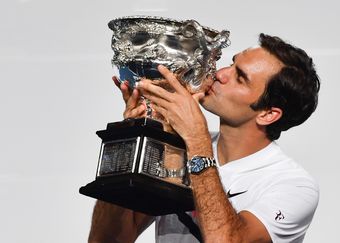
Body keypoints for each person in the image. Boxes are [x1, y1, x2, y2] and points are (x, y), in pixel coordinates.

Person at [88, 33, 320, 243]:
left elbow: (227, 241)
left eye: (240, 77)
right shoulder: (177, 147)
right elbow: (105, 239)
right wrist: (132, 136)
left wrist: (197, 141)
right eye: (231, 64)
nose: (219, 74)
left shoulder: (293, 186)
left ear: (268, 114)